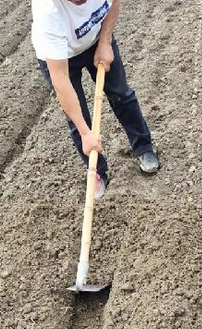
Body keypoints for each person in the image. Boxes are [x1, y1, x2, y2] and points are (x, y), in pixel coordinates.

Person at [31, 0, 159, 198]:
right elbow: (61, 80)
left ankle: (144, 147)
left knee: (122, 95)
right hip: (61, 55)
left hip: (96, 37)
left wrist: (105, 41)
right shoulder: (48, 10)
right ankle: (97, 172)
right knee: (78, 117)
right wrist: (85, 133)